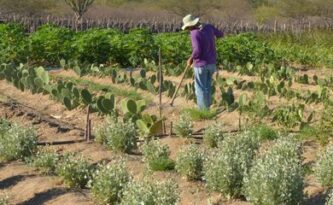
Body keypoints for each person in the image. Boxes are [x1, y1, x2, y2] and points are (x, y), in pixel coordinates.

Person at [182, 14, 224, 110]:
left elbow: (197, 50)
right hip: (211, 64)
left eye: (188, 27)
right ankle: (207, 108)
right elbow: (221, 34)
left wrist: (191, 59)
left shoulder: (194, 33)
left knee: (200, 88)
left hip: (200, 65)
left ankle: (202, 110)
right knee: (207, 87)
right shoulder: (209, 27)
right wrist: (210, 39)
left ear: (191, 25)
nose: (188, 29)